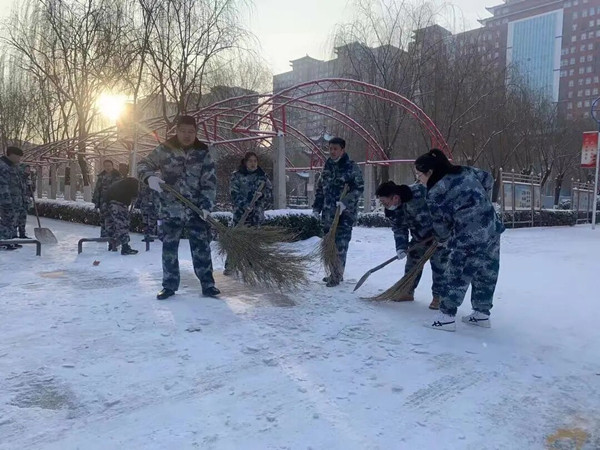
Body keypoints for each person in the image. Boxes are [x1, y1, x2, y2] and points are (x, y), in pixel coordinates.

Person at [414, 148, 504, 332]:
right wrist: (478, 202)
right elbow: (488, 179)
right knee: (486, 271)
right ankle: (481, 314)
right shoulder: (464, 170)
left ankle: (446, 317)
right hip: (491, 228)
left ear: (430, 172)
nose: (419, 180)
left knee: (456, 273)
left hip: (468, 236)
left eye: (419, 175)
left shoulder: (436, 191)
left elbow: (441, 226)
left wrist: (442, 240)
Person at [137, 115, 220, 299]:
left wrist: (207, 205)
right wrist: (149, 177)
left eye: (191, 132)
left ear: (196, 133)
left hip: (196, 210)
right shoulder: (165, 150)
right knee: (169, 248)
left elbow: (210, 182)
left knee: (201, 248)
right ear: (177, 130)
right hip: (170, 208)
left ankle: (208, 284)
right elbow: (142, 164)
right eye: (183, 131)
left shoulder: (203, 152)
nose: (187, 135)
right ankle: (169, 285)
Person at [375, 181, 447, 309]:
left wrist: (443, 231)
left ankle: (439, 296)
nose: (384, 205)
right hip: (419, 237)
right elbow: (399, 228)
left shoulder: (420, 192)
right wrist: (401, 247)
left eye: (385, 202)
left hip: (438, 235)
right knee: (412, 263)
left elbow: (443, 208)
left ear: (395, 197)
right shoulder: (393, 210)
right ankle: (407, 291)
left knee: (439, 266)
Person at [312, 137, 364, 287]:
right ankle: (333, 272)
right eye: (330, 149)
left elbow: (359, 188)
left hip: (344, 214)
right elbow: (321, 189)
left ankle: (337, 275)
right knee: (330, 244)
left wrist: (345, 202)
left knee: (341, 244)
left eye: (336, 149)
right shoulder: (327, 167)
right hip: (328, 214)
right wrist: (317, 207)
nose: (333, 152)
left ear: (342, 150)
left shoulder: (351, 167)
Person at [224, 151, 273, 275]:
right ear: (245, 162)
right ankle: (231, 265)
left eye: (255, 161)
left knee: (254, 239)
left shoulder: (262, 176)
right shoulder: (237, 176)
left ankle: (252, 265)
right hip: (241, 214)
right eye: (250, 161)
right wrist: (244, 205)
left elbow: (269, 193)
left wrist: (261, 197)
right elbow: (233, 192)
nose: (253, 163)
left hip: (256, 214)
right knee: (236, 238)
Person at [104, 177, 139, 255]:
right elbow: (135, 195)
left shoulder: (120, 183)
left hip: (107, 204)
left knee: (111, 225)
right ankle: (125, 247)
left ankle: (112, 245)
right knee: (122, 224)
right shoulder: (134, 183)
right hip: (119, 204)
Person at [92, 159, 122, 248]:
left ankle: (114, 238)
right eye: (106, 166)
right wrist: (96, 202)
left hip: (113, 202)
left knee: (113, 220)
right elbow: (97, 190)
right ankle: (104, 236)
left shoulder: (117, 176)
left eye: (109, 166)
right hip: (103, 202)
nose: (107, 168)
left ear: (112, 166)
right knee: (103, 219)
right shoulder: (101, 176)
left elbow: (121, 190)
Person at [0, 147, 25, 250]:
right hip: (6, 200)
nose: (19, 159)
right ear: (10, 154)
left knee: (13, 221)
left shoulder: (13, 166)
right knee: (6, 221)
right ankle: (4, 241)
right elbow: (2, 184)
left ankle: (12, 240)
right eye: (18, 156)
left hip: (15, 200)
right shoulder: (3, 166)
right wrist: (6, 201)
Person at [17, 164, 34, 239]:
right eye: (26, 169)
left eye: (28, 169)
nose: (28, 171)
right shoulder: (18, 178)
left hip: (25, 202)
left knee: (23, 219)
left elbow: (32, 191)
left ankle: (22, 234)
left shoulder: (28, 179)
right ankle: (13, 235)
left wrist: (32, 185)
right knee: (14, 220)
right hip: (17, 202)